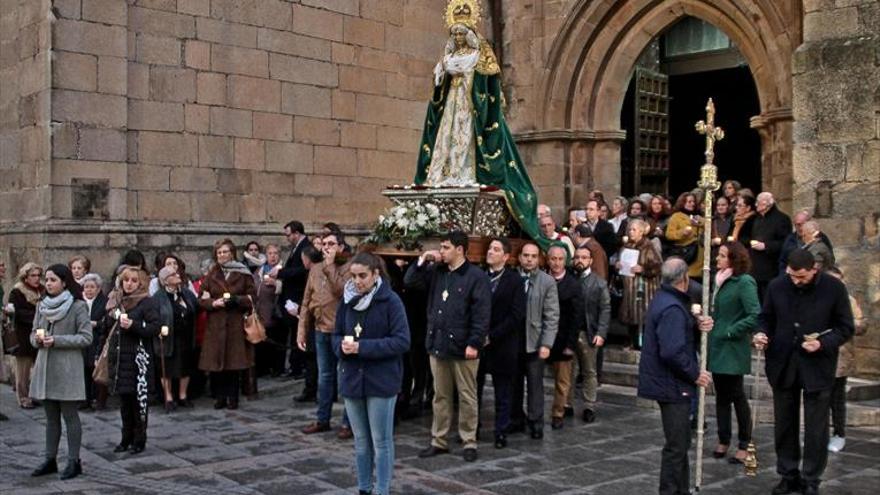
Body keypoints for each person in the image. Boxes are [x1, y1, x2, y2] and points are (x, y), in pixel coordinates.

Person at [413, 6, 546, 248]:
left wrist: (473, 87)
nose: (459, 38)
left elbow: (491, 89)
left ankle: (463, 174)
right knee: (447, 140)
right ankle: (445, 174)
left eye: (462, 33)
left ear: (470, 33)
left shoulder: (480, 56)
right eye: (455, 34)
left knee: (465, 142)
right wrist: (441, 76)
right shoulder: (447, 57)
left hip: (470, 108)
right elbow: (438, 87)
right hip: (452, 106)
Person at [753, 249, 854, 495]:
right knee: (784, 424)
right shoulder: (778, 286)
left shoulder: (834, 288)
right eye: (792, 276)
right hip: (783, 363)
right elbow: (765, 318)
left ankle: (811, 477)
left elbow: (845, 327)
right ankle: (788, 473)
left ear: (813, 270)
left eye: (801, 277)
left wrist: (822, 343)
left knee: (816, 427)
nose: (796, 281)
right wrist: (761, 333)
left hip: (817, 366)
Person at [406, 231, 490, 463]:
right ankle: (439, 439)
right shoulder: (436, 272)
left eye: (445, 247)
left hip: (464, 347)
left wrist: (474, 342)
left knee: (466, 396)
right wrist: (423, 260)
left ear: (460, 250)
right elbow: (410, 282)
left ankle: (469, 440)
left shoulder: (476, 276)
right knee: (440, 396)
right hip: (438, 343)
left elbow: (481, 314)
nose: (441, 251)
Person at [332, 252, 410, 495]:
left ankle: (382, 489)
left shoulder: (391, 301)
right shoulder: (347, 301)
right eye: (353, 276)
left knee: (381, 441)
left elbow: (401, 341)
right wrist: (342, 347)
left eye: (363, 276)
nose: (357, 281)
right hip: (353, 378)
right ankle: (364, 488)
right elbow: (334, 335)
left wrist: (362, 347)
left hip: (381, 380)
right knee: (361, 441)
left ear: (376, 274)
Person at [637, 258, 713, 495]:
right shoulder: (672, 307)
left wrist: (695, 323)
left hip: (668, 381)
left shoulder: (666, 300)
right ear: (684, 279)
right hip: (671, 383)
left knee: (680, 443)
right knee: (677, 445)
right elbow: (672, 350)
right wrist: (694, 373)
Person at [28, 264, 92, 480]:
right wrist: (37, 339)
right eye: (46, 280)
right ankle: (50, 459)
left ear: (64, 282)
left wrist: (57, 340)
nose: (48, 284)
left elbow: (86, 337)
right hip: (45, 367)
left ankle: (74, 461)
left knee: (70, 416)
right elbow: (33, 334)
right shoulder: (42, 306)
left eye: (53, 280)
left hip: (67, 369)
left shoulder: (77, 306)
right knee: (50, 417)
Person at [708, 242, 760, 464]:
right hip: (718, 343)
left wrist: (732, 330)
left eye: (721, 256)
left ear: (733, 259)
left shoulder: (744, 282)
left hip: (733, 345)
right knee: (721, 395)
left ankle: (745, 443)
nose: (717, 259)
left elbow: (754, 313)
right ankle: (723, 438)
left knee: (737, 395)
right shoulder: (720, 280)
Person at [298, 232, 352, 439]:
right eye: (324, 244)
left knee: (344, 377)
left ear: (340, 246)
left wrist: (330, 266)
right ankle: (322, 419)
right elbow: (306, 301)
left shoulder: (347, 267)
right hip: (320, 329)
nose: (327, 248)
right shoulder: (315, 269)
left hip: (341, 331)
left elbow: (341, 291)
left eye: (331, 244)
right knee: (324, 377)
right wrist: (302, 330)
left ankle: (348, 423)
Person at [104, 265, 160, 454]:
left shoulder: (146, 302)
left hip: (138, 359)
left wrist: (134, 325)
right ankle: (125, 438)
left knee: (139, 403)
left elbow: (154, 327)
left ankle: (139, 439)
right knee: (124, 403)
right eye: (126, 280)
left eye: (134, 281)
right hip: (120, 358)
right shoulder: (116, 300)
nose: (129, 284)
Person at [476, 237, 526, 448]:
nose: (490, 252)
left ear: (505, 256)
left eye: (495, 250)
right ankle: (472, 428)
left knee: (503, 391)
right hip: (478, 343)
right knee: (474, 390)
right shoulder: (479, 276)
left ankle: (501, 431)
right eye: (489, 249)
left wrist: (493, 335)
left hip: (503, 344)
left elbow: (516, 315)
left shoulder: (514, 280)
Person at [198, 239, 257, 410]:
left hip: (235, 323)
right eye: (219, 252)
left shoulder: (243, 273)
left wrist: (236, 300)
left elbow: (253, 297)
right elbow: (201, 299)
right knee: (217, 364)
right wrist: (213, 303)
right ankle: (220, 396)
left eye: (225, 252)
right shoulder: (212, 274)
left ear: (232, 253)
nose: (222, 255)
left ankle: (233, 397)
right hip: (216, 324)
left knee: (233, 363)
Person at [511, 242, 559, 439]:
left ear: (538, 258)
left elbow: (552, 315)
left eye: (533, 256)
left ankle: (535, 420)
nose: (529, 259)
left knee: (534, 383)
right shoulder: (512, 277)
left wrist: (547, 343)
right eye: (526, 255)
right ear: (520, 257)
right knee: (513, 382)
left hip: (535, 340)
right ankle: (514, 418)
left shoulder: (546, 281)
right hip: (514, 340)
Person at [826, 266, 866, 453]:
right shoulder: (818, 299)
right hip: (820, 355)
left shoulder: (848, 301)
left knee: (837, 398)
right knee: (818, 399)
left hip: (841, 355)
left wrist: (846, 325)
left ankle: (839, 434)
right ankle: (818, 435)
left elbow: (861, 324)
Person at [570, 246, 610, 423]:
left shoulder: (599, 283)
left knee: (589, 370)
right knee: (569, 371)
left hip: (589, 332)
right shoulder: (569, 279)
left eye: (584, 258)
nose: (580, 260)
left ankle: (589, 405)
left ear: (590, 261)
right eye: (577, 257)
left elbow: (605, 309)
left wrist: (601, 332)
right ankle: (567, 403)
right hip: (570, 332)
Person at [545, 245, 582, 430]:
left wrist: (570, 344)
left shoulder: (573, 284)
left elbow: (576, 317)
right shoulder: (541, 279)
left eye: (560, 259)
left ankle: (558, 412)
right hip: (542, 338)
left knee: (562, 380)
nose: (556, 263)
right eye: (553, 259)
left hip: (562, 339)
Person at [152, 265, 198, 412]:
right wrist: (159, 329)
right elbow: (154, 317)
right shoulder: (158, 298)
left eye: (176, 273)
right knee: (167, 368)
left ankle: (183, 395)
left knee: (186, 365)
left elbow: (195, 307)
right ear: (165, 281)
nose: (177, 275)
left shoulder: (186, 293)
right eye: (173, 274)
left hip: (185, 336)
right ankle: (169, 397)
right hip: (168, 338)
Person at [617, 219, 662, 350]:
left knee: (644, 316)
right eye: (630, 229)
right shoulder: (626, 246)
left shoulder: (649, 246)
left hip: (645, 288)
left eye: (634, 230)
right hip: (629, 287)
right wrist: (618, 266)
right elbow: (620, 263)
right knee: (630, 315)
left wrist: (643, 269)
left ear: (642, 232)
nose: (631, 232)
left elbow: (658, 267)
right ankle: (631, 341)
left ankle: (645, 343)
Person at [276, 220, 310, 381]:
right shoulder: (296, 248)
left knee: (298, 332)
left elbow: (302, 271)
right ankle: (295, 365)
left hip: (297, 296)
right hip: (291, 295)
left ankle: (297, 366)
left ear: (296, 233)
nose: (287, 238)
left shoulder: (305, 247)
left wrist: (281, 273)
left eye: (288, 235)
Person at [8, 262, 44, 409]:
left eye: (38, 275)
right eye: (33, 276)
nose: (36, 278)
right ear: (26, 277)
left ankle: (35, 395)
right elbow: (17, 312)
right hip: (23, 334)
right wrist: (37, 316)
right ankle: (23, 398)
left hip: (39, 333)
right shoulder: (17, 291)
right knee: (22, 370)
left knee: (38, 368)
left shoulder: (42, 290)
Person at [749, 192, 792, 302]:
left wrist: (766, 246)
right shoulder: (756, 219)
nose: (756, 205)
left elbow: (785, 242)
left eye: (758, 202)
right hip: (755, 267)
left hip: (771, 268)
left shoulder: (781, 219)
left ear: (766, 204)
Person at [81, 273, 108, 411]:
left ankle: (98, 399)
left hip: (98, 339)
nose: (89, 290)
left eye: (92, 287)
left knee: (95, 369)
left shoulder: (104, 301)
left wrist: (96, 324)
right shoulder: (79, 302)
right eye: (86, 287)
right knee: (84, 370)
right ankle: (85, 399)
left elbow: (107, 320)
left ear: (98, 288)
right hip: (83, 341)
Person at [664, 192, 703, 280]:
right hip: (686, 253)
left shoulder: (699, 216)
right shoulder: (676, 216)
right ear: (682, 203)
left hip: (699, 255)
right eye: (689, 202)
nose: (692, 204)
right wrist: (682, 233)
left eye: (693, 201)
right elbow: (669, 235)